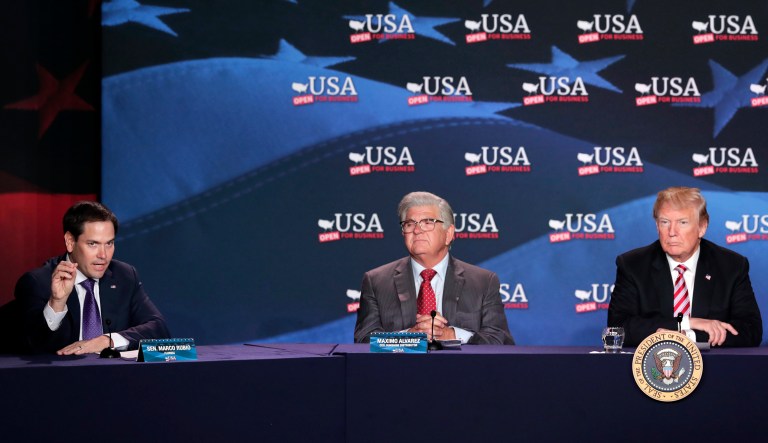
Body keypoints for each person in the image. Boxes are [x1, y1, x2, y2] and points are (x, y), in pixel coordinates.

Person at [608, 187, 762, 347]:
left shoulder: (731, 266)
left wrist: (689, 337)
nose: (672, 232)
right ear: (657, 226)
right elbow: (618, 328)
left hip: (716, 367)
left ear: (702, 227)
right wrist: (688, 323)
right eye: (665, 222)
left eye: (682, 222)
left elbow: (750, 330)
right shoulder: (633, 265)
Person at [354, 191, 514, 345]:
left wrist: (450, 335)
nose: (417, 230)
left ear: (449, 234)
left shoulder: (483, 282)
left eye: (427, 222)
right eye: (409, 224)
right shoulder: (376, 281)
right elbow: (363, 341)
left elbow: (499, 340)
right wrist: (409, 337)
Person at [14, 201, 170, 354]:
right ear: (70, 242)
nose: (103, 255)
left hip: (116, 376)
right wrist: (57, 303)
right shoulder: (37, 282)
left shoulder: (125, 276)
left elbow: (158, 328)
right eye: (93, 244)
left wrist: (107, 341)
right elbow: (33, 347)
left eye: (109, 243)